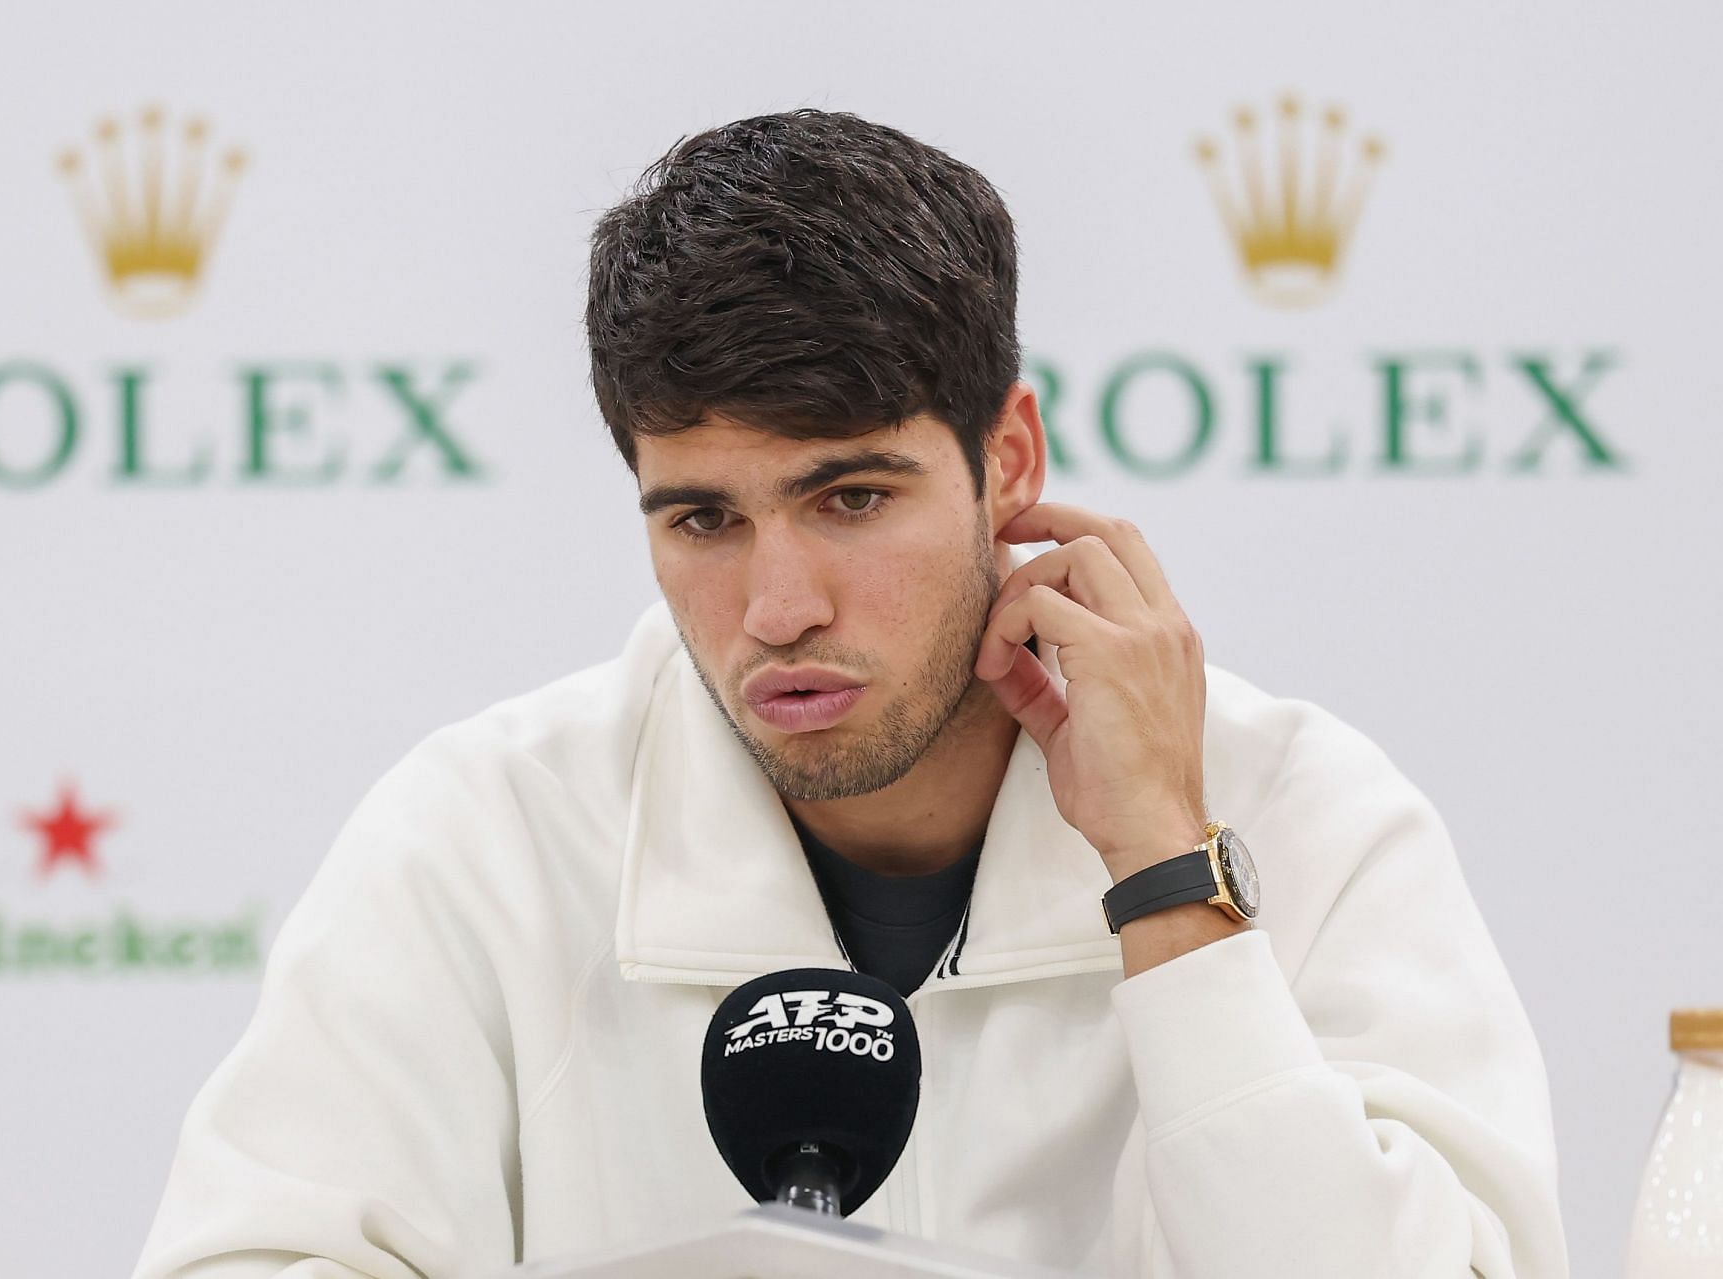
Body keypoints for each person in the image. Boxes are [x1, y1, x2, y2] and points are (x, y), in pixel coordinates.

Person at [131, 110, 1569, 1278]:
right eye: (701, 520)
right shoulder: (482, 837)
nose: (776, 608)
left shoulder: (1305, 817)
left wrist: (1168, 877)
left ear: (1008, 459)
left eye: (852, 496)